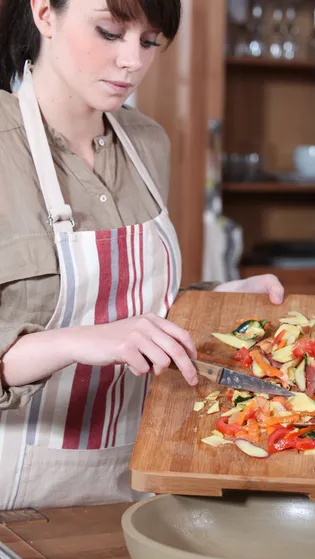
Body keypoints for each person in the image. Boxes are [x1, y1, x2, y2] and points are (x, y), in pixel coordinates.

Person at [0, 0, 284, 510]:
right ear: (45, 13)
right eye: (109, 33)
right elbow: (94, 327)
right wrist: (77, 343)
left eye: (150, 41)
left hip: (143, 479)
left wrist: (217, 298)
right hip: (18, 500)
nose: (133, 60)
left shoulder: (148, 144)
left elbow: (132, 307)